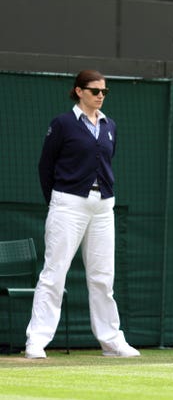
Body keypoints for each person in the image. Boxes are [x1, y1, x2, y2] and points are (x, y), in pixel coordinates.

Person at [25, 70, 140, 359]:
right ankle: (36, 341)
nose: (100, 95)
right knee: (54, 273)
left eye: (104, 91)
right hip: (67, 204)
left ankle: (112, 341)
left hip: (103, 206)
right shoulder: (63, 124)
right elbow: (45, 166)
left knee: (103, 277)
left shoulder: (110, 125)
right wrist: (57, 200)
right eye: (94, 90)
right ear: (79, 91)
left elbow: (107, 160)